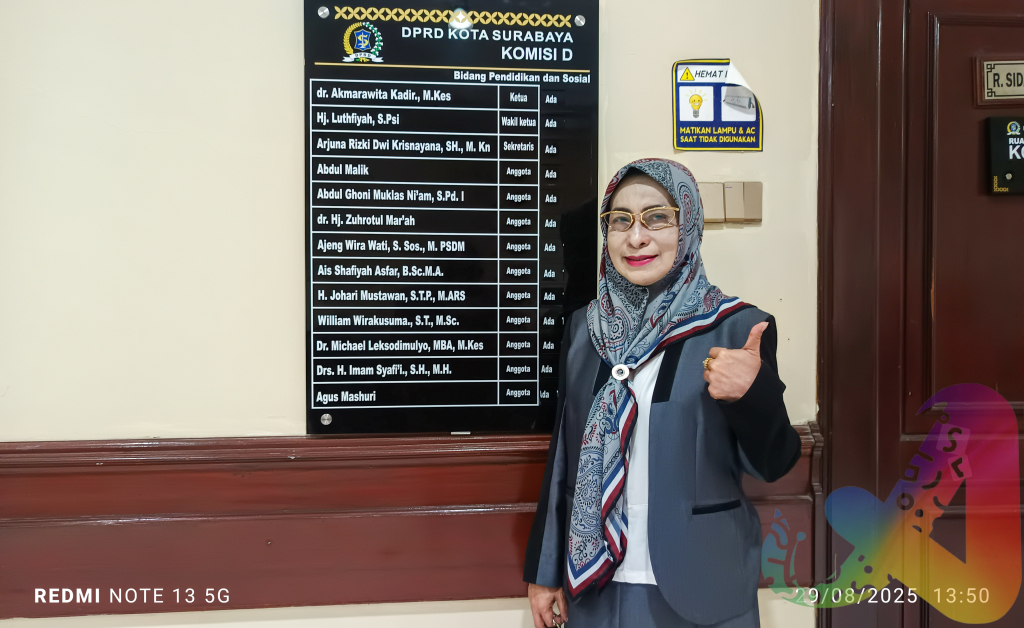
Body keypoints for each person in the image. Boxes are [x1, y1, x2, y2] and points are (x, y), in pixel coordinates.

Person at [523, 158, 801, 628]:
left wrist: (751, 396)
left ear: (688, 224)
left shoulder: (737, 328)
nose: (636, 237)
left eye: (656, 218)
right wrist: (545, 570)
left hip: (704, 583)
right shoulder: (583, 330)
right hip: (596, 582)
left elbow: (773, 465)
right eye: (620, 220)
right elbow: (562, 458)